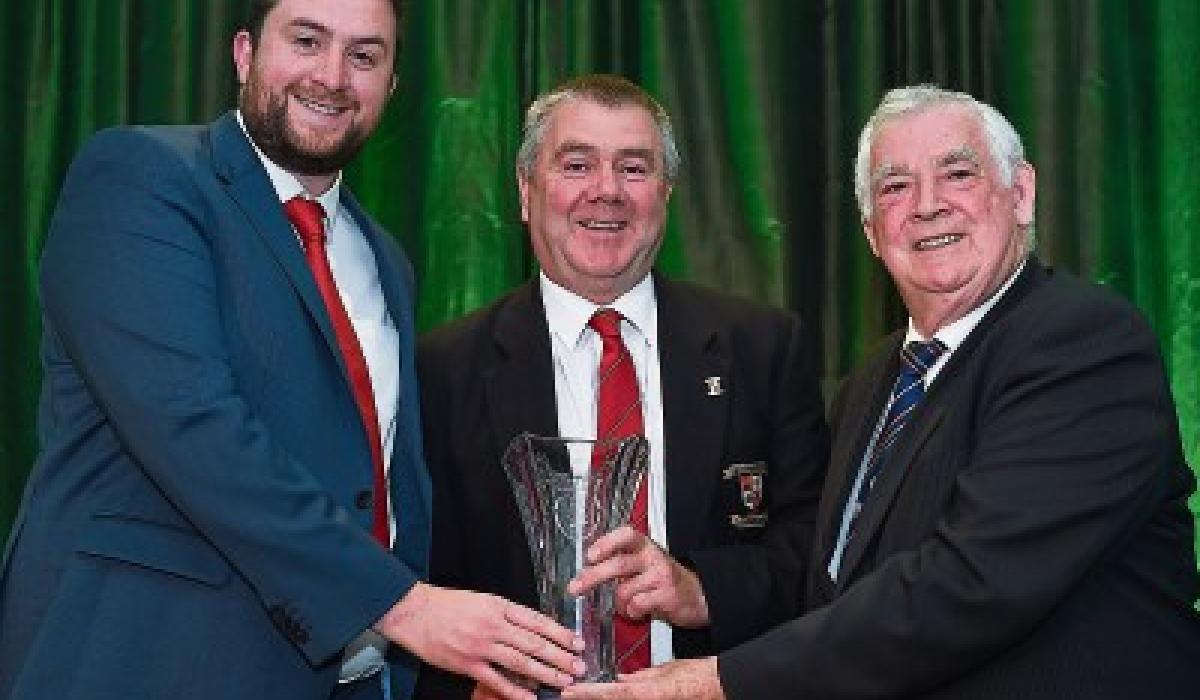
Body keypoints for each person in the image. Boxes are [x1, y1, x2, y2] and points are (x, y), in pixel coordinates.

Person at [0, 2, 582, 699]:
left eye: (364, 56)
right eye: (307, 40)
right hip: (144, 665)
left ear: (391, 86)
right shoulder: (142, 178)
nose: (332, 76)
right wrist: (404, 606)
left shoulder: (383, 260)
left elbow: (386, 487)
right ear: (245, 54)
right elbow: (191, 426)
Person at [563, 85, 1200, 700]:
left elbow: (970, 585)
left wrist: (719, 682)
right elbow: (835, 588)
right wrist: (700, 593)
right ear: (872, 230)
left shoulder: (1082, 344)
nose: (927, 205)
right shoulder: (873, 381)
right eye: (895, 186)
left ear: (1021, 194)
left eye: (958, 174)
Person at [413, 74, 830, 700]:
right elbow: (417, 581)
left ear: (666, 193)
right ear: (526, 191)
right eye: (577, 165)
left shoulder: (764, 348)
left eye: (634, 169)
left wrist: (700, 591)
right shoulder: (444, 369)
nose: (606, 191)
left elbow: (816, 550)